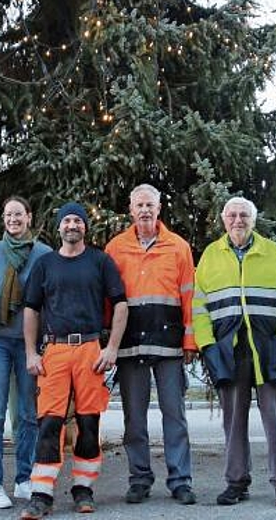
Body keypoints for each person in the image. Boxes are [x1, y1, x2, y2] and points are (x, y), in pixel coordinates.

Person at [20, 201, 128, 519]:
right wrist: (30, 352)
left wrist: (111, 350)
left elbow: (121, 304)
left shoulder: (100, 261)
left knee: (88, 422)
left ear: (85, 227)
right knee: (49, 422)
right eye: (66, 220)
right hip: (54, 350)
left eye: (77, 221)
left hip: (91, 349)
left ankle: (83, 490)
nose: (72, 225)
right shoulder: (45, 264)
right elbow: (30, 310)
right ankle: (41, 494)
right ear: (59, 227)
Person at [193, 197, 276, 509]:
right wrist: (207, 345)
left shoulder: (271, 252)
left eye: (244, 215)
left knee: (275, 420)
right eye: (232, 215)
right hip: (229, 349)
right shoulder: (212, 255)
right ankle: (236, 483)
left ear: (253, 220)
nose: (238, 220)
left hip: (268, 347)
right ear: (223, 220)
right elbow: (199, 307)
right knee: (233, 421)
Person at [104, 183, 197, 505]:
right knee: (134, 418)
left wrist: (190, 340)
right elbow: (109, 299)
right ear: (130, 210)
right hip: (130, 345)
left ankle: (181, 480)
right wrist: (110, 345)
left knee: (175, 414)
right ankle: (139, 479)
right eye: (139, 205)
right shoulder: (115, 248)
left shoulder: (178, 246)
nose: (145, 210)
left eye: (150, 205)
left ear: (159, 209)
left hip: (169, 345)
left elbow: (189, 295)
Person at [0, 197, 51, 509]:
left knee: (28, 414)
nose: (13, 219)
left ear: (29, 217)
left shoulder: (44, 254)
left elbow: (49, 298)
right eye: (8, 214)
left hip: (28, 342)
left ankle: (24, 479)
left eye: (18, 214)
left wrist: (44, 342)